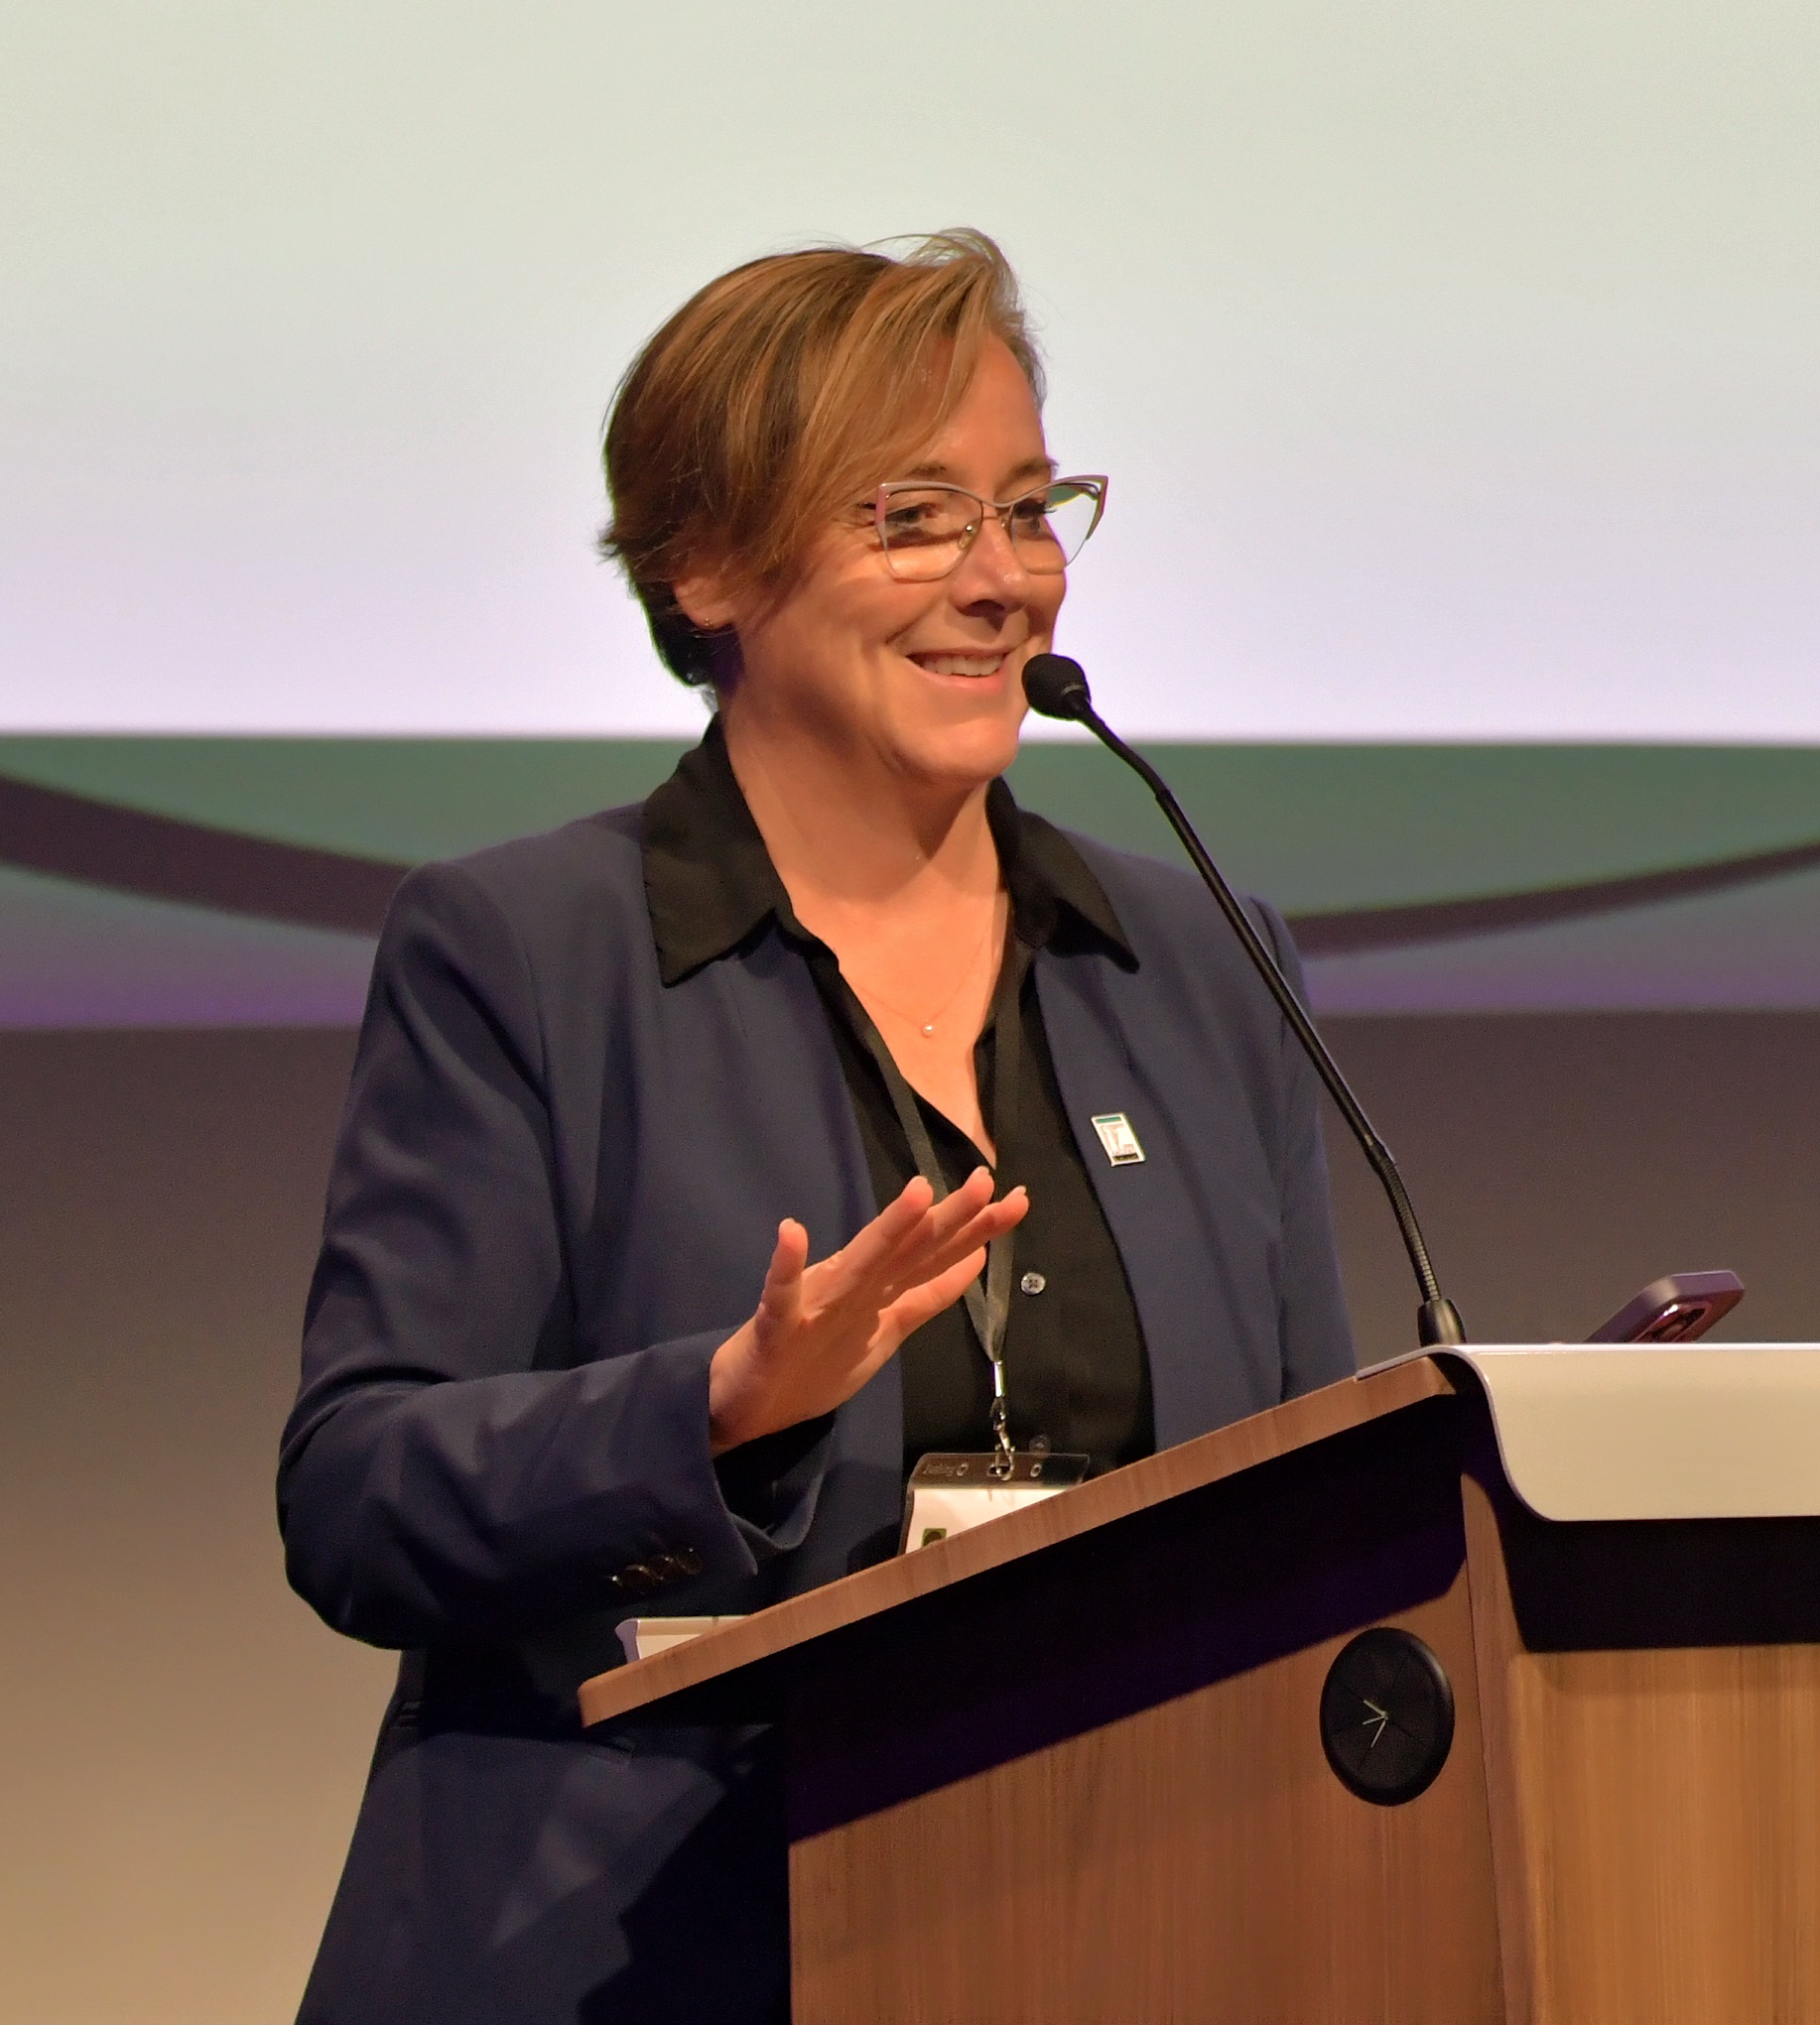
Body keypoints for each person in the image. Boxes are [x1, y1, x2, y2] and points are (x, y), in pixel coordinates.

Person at [279, 234, 1359, 2024]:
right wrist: (712, 1414)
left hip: (1135, 1930)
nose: (1004, 579)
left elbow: (1317, 1486)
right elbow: (356, 1496)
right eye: (916, 516)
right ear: (706, 565)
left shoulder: (1200, 965)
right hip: (639, 1961)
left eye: (1032, 510)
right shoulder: (527, 955)